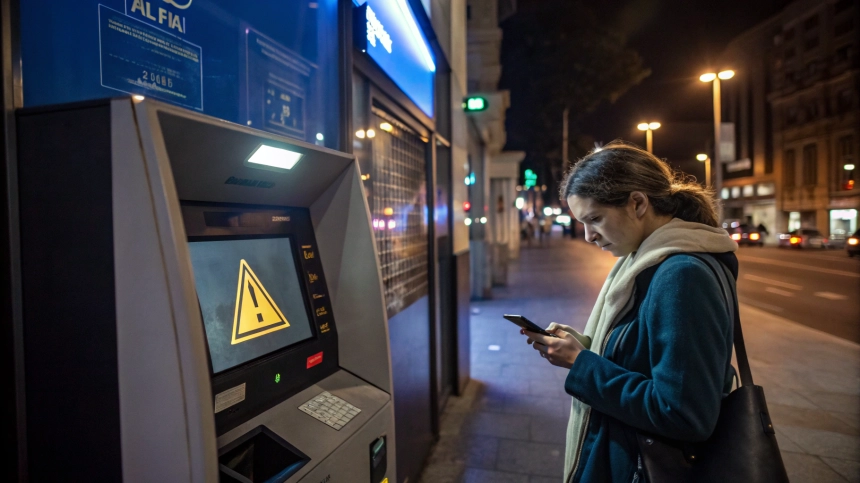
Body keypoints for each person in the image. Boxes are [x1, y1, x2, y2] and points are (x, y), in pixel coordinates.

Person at [520, 141, 738, 483]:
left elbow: (683, 414)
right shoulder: (647, 261)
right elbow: (646, 358)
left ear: (637, 203)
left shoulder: (681, 275)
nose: (589, 235)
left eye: (595, 219)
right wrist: (586, 347)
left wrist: (582, 363)